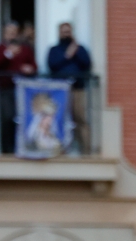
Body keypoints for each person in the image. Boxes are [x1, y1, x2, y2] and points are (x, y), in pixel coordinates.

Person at [0, 21, 37, 154]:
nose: (12, 35)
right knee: (8, 117)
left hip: (23, 90)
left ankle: (22, 147)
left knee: (22, 118)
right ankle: (7, 149)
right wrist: (9, 53)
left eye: (14, 32)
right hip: (6, 89)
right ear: (4, 34)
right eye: (9, 32)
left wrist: (30, 69)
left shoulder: (25, 49)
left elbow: (34, 66)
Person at [46, 22, 92, 154]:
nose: (66, 34)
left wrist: (76, 51)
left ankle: (85, 151)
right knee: (59, 119)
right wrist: (67, 55)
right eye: (63, 31)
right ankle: (59, 150)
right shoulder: (54, 50)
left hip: (78, 89)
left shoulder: (80, 49)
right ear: (59, 33)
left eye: (68, 31)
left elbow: (87, 64)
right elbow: (52, 65)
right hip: (59, 92)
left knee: (80, 119)